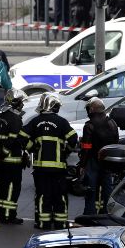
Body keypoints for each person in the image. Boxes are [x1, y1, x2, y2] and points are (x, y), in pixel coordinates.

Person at [22, 93, 78, 230]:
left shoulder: (35, 121)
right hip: (59, 168)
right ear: (54, 107)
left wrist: (32, 148)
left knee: (43, 195)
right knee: (60, 196)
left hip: (41, 169)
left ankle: (43, 223)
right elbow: (73, 138)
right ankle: (60, 223)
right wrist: (66, 152)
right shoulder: (62, 122)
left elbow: (21, 136)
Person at [0, 89, 29, 224]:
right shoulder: (16, 119)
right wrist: (3, 154)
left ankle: (2, 213)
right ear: (16, 103)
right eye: (21, 103)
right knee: (13, 190)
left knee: (2, 188)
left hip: (1, 163)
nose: (22, 105)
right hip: (13, 162)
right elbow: (12, 140)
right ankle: (9, 216)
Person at [79, 98, 119, 215]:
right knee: (107, 189)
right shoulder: (112, 123)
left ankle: (90, 213)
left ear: (91, 109)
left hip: (93, 161)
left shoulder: (89, 126)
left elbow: (86, 147)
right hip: (108, 161)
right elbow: (116, 142)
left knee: (91, 189)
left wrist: (82, 164)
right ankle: (107, 213)